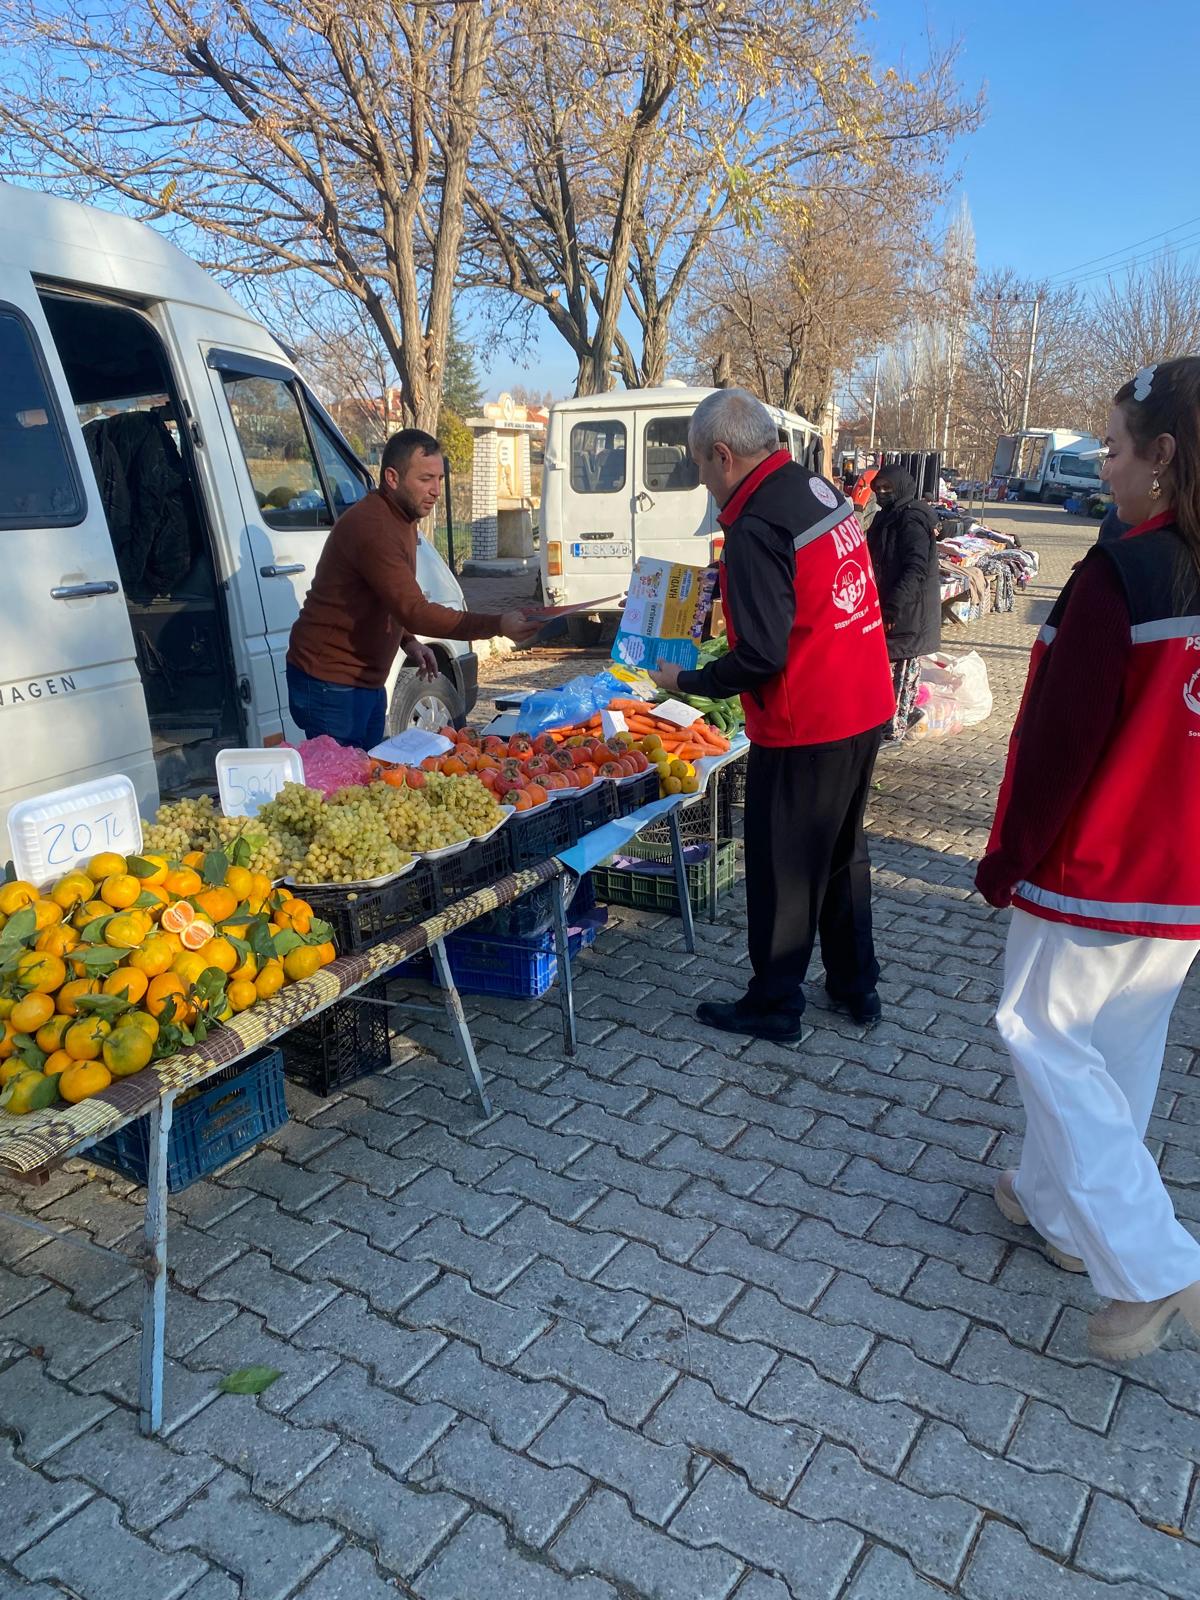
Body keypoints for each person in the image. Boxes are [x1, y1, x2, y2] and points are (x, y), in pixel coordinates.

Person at [976, 356, 1200, 1360]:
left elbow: (1061, 744)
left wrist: (1008, 857)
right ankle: (1059, 1214)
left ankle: (1155, 1262)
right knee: (1119, 1048)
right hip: (1183, 879)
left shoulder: (1123, 574)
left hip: (1098, 866)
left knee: (1036, 1028)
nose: (1101, 466)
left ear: (1163, 458)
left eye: (1113, 447)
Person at [649, 389, 895, 1041]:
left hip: (805, 723)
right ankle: (855, 985)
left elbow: (761, 656)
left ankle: (775, 1003)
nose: (702, 482)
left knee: (786, 867)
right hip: (864, 702)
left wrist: (687, 678)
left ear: (722, 455)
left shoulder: (755, 522)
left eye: (700, 467)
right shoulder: (810, 488)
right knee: (841, 853)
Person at [287, 430, 538, 748]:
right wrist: (498, 624)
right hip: (330, 681)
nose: (435, 490)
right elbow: (415, 611)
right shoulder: (374, 527)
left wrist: (407, 641)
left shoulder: (400, 518)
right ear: (392, 477)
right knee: (341, 786)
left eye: (439, 479)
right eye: (425, 479)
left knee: (365, 774)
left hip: (365, 681)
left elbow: (386, 596)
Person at [866, 466, 942, 746]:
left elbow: (915, 568)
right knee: (888, 670)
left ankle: (893, 728)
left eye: (888, 488)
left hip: (907, 611)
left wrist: (893, 607)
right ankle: (898, 718)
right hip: (892, 606)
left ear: (900, 487)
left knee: (899, 669)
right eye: (879, 488)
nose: (883, 493)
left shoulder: (911, 519)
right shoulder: (887, 516)